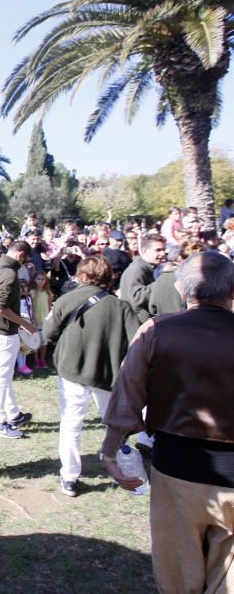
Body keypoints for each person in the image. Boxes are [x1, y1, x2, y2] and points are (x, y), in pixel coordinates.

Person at [100, 251, 234, 593]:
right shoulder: (156, 331)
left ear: (180, 289)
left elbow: (126, 395)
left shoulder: (157, 330)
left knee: (178, 573)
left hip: (177, 468)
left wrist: (110, 453)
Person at [43, 257, 141, 497]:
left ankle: (69, 476)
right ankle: (123, 468)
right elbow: (137, 341)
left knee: (71, 424)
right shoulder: (121, 307)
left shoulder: (67, 299)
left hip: (72, 370)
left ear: (82, 275)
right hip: (107, 374)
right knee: (114, 423)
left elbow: (48, 332)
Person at [0, 240, 36, 439]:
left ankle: (12, 414)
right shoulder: (10, 273)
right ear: (20, 254)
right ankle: (0, 422)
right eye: (26, 259)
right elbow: (0, 307)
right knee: (1, 378)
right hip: (3, 332)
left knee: (5, 374)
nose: (25, 264)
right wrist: (25, 324)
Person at [119, 233, 167, 322]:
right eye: (158, 250)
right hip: (138, 322)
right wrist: (164, 280)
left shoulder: (149, 267)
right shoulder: (137, 269)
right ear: (145, 251)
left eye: (164, 249)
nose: (163, 253)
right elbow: (137, 298)